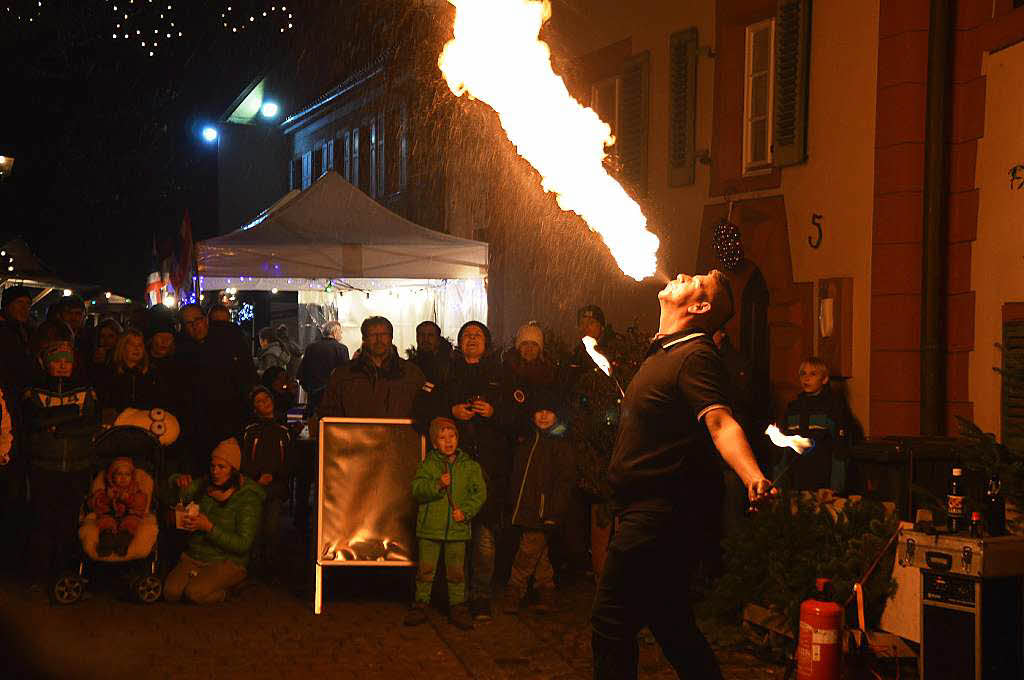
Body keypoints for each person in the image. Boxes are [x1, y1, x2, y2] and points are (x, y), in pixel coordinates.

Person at [590, 271, 775, 680]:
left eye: (697, 280)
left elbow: (720, 422)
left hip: (658, 515)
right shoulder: (667, 352)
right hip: (655, 512)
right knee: (670, 623)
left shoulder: (695, 356)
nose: (681, 275)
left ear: (700, 307)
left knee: (611, 623)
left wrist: (751, 476)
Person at [440, 320, 511, 621]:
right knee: (455, 534)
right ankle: (456, 596)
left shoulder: (500, 374)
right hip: (456, 463)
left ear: (487, 342)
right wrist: (451, 411)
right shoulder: (448, 371)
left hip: (489, 466)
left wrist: (494, 412)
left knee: (484, 536)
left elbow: (515, 414)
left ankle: (481, 595)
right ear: (459, 342)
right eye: (466, 335)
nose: (471, 340)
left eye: (477, 335)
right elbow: (429, 405)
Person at [23, 340, 100, 580]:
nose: (62, 366)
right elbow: (33, 421)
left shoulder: (85, 390)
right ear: (47, 364)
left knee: (69, 520)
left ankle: (64, 571)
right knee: (42, 519)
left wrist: (57, 425)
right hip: (44, 465)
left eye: (67, 361)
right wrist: (71, 416)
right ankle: (39, 572)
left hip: (77, 465)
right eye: (57, 361)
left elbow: (91, 423)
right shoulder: (35, 391)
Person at [405, 417, 486, 631]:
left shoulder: (470, 467)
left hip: (457, 529)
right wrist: (437, 484)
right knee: (426, 570)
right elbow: (417, 490)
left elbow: (479, 494)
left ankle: (458, 607)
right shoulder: (428, 465)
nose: (448, 441)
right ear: (434, 443)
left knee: (457, 572)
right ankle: (421, 604)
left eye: (452, 436)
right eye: (442, 437)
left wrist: (466, 512)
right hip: (430, 528)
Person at [164, 438, 265, 605]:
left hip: (227, 561)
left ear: (233, 470)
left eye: (221, 467)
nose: (215, 472)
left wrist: (209, 528)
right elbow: (174, 494)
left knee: (194, 593)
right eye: (212, 466)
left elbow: (243, 544)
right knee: (170, 593)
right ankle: (202, 580)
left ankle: (229, 591)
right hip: (195, 556)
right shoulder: (206, 484)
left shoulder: (247, 498)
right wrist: (176, 481)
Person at [501, 389, 574, 615]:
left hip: (545, 511)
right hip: (526, 507)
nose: (543, 416)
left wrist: (555, 513)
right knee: (538, 554)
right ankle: (546, 591)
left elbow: (564, 483)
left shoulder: (561, 445)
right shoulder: (527, 440)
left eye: (549, 412)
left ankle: (515, 590)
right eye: (539, 411)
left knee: (527, 553)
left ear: (557, 416)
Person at [176, 304, 257, 474]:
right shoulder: (183, 353)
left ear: (205, 319)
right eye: (189, 323)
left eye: (197, 320)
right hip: (199, 427)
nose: (194, 326)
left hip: (228, 419)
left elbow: (245, 376)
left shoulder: (227, 342)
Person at [317, 316, 427, 420]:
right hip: (355, 439)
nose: (379, 340)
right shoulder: (343, 375)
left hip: (400, 439)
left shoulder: (412, 374)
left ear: (391, 337)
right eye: (373, 335)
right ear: (364, 338)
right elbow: (328, 415)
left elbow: (425, 412)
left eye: (384, 334)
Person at [239, 386, 292, 577]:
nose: (265, 403)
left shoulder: (283, 430)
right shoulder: (250, 431)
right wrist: (255, 477)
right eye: (259, 402)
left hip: (275, 487)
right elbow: (245, 459)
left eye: (266, 398)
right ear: (254, 408)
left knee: (271, 528)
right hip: (254, 486)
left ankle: (271, 570)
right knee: (254, 528)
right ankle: (252, 569)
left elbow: (289, 459)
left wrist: (276, 475)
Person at [779, 357, 853, 493]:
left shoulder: (832, 407)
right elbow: (784, 449)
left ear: (824, 379)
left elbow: (839, 449)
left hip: (822, 475)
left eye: (813, 374)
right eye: (803, 374)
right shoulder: (793, 408)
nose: (807, 378)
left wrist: (836, 486)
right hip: (796, 476)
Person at [502, 322, 558, 437]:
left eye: (534, 344)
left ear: (540, 348)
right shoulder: (506, 371)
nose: (529, 349)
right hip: (511, 434)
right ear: (518, 347)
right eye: (524, 344)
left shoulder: (550, 373)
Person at [89, 457, 148, 557]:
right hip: (111, 514)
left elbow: (141, 504)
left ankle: (123, 542)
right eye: (119, 474)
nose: (123, 478)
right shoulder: (108, 489)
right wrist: (107, 498)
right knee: (105, 521)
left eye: (127, 474)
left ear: (132, 477)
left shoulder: (135, 489)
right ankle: (106, 541)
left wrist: (128, 499)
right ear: (112, 476)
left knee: (131, 522)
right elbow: (95, 502)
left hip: (129, 514)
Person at [100, 328, 162, 415]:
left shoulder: (151, 373)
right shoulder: (111, 372)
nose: (136, 348)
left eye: (140, 345)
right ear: (123, 347)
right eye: (132, 344)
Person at [297, 320, 349, 416]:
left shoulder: (310, 348)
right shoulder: (341, 349)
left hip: (314, 400)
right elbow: (346, 376)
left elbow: (301, 375)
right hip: (334, 402)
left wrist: (311, 390)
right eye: (340, 332)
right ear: (335, 332)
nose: (341, 334)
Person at [409, 320, 452, 387]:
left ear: (438, 339)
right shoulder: (409, 367)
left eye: (430, 335)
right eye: (422, 335)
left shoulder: (449, 366)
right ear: (417, 338)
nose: (425, 339)